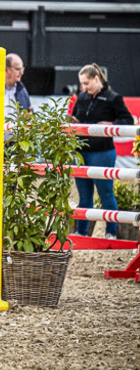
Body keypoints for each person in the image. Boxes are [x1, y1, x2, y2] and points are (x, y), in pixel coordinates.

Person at [69, 63, 133, 239]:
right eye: (82, 83)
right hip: (81, 151)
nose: (83, 87)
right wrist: (73, 121)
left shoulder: (113, 98)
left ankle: (110, 233)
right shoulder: (81, 97)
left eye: (86, 83)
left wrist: (111, 125)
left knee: (105, 192)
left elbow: (127, 121)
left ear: (96, 79)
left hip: (102, 152)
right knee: (84, 195)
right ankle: (82, 232)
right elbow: (77, 118)